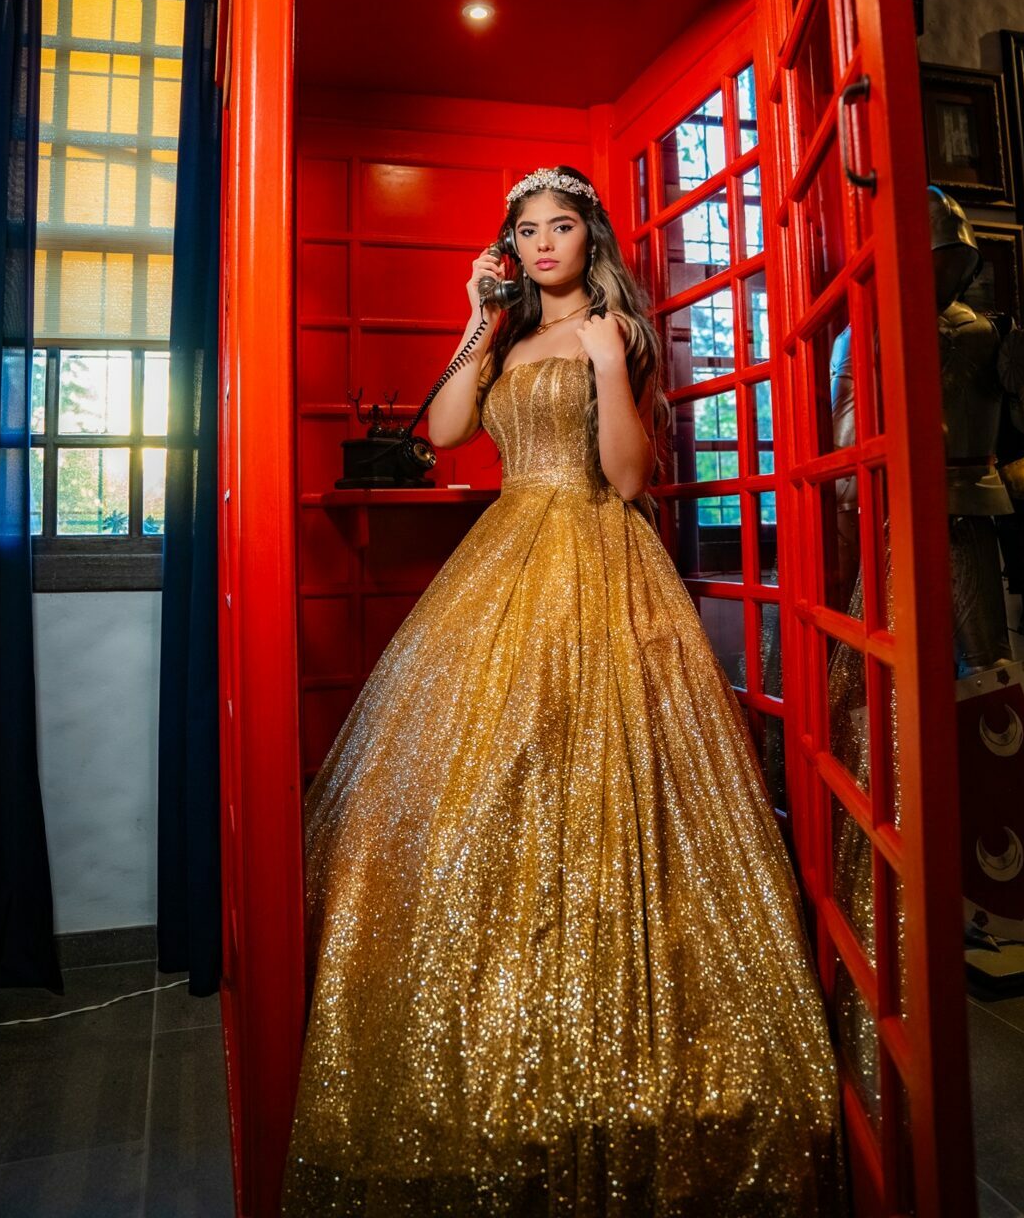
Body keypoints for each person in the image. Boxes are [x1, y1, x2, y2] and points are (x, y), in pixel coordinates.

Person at [281, 166, 845, 1216]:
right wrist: (474, 318)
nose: (544, 243)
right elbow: (446, 433)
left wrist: (609, 363)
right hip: (505, 553)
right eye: (527, 230)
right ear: (510, 249)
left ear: (591, 240)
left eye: (562, 226)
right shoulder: (501, 338)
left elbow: (627, 480)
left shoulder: (610, 333)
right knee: (491, 773)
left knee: (602, 770)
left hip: (595, 552)